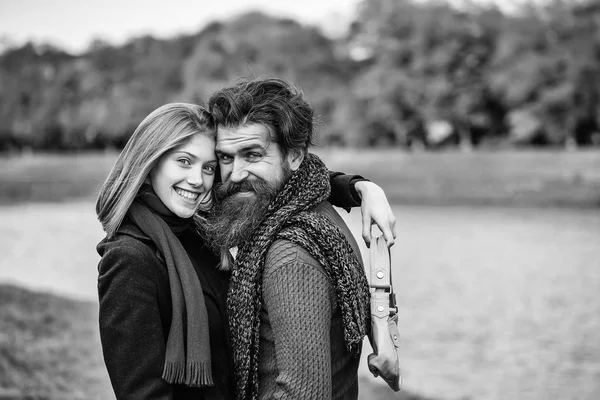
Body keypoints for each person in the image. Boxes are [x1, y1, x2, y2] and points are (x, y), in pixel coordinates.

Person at [95, 102, 396, 399]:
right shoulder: (129, 259)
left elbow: (277, 177)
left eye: (209, 166)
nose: (198, 180)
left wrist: (359, 188)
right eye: (183, 161)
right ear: (149, 162)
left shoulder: (200, 228)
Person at [207, 78, 375, 400]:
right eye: (226, 158)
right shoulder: (314, 207)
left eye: (252, 155)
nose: (236, 173)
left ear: (295, 156)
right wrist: (360, 187)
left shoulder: (291, 257)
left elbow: (303, 393)